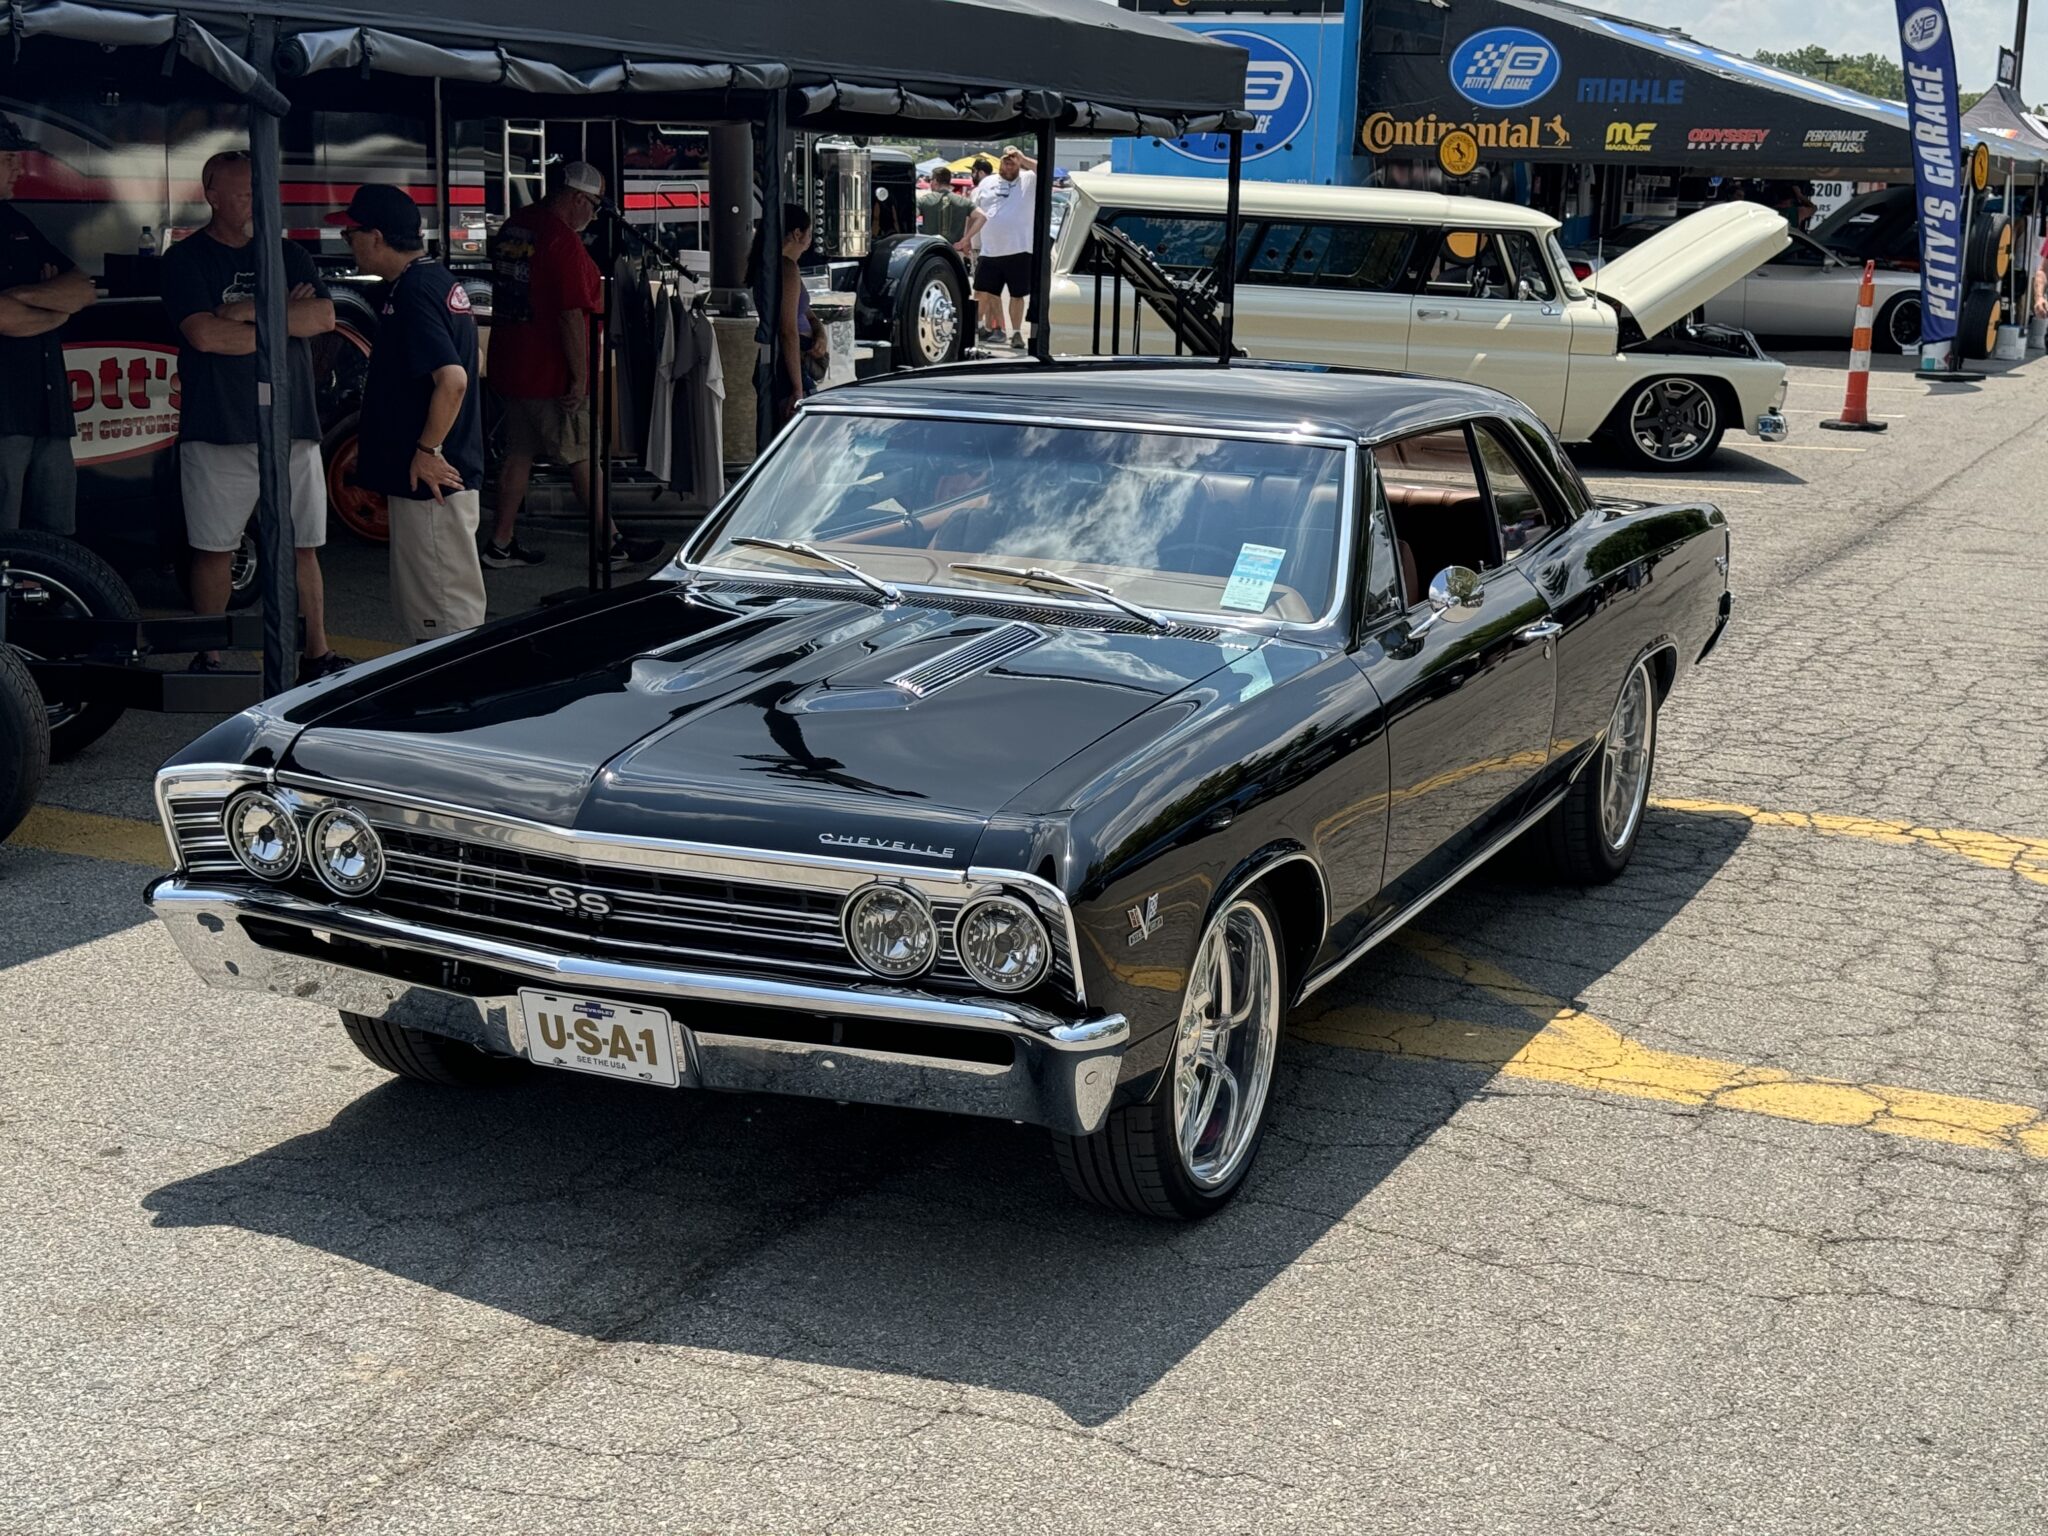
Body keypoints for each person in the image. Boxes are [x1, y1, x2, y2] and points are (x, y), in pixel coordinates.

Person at [160, 148, 348, 680]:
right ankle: (209, 655)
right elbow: (203, 335)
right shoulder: (185, 260)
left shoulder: (289, 254)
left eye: (261, 191)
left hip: (293, 424)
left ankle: (317, 654)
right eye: (244, 192)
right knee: (214, 548)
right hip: (218, 425)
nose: (256, 202)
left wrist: (241, 313)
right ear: (212, 195)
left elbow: (324, 317)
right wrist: (283, 319)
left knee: (303, 546)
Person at [330, 184, 486, 644]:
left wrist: (427, 450)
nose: (348, 244)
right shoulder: (432, 280)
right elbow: (474, 361)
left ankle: (455, 691)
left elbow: (454, 379)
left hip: (432, 485)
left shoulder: (415, 290)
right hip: (432, 483)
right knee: (433, 614)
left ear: (376, 236)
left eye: (351, 234)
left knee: (444, 625)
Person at [485, 162, 661, 569]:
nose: (594, 216)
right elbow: (569, 316)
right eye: (595, 206)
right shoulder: (561, 241)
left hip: (512, 362)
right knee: (583, 456)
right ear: (579, 199)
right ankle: (611, 544)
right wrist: (580, 378)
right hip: (551, 371)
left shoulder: (516, 225)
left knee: (519, 453)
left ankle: (500, 542)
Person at [0, 114, 94, 536]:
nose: (20, 169)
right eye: (8, 158)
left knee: (57, 542)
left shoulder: (15, 222)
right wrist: (53, 307)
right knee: (6, 543)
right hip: (4, 419)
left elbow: (82, 289)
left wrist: (22, 295)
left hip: (49, 414)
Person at [747, 204, 827, 431]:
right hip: (790, 363)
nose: (811, 239)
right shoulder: (786, 268)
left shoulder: (776, 267)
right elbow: (788, 331)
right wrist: (797, 388)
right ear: (798, 233)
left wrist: (820, 332)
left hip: (788, 360)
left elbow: (806, 313)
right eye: (809, 232)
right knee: (802, 433)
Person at [956, 145, 1038, 349]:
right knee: (981, 292)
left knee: (1017, 296)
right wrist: (967, 239)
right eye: (1005, 162)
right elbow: (972, 213)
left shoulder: (1028, 179)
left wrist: (1022, 158)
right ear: (999, 163)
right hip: (989, 250)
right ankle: (977, 329)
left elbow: (1046, 170)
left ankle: (1016, 333)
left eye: (1012, 162)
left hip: (1019, 249)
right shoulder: (987, 182)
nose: (1008, 166)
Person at [918, 170, 971, 246]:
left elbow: (910, 217)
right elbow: (981, 216)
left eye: (931, 180)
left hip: (930, 248)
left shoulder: (925, 200)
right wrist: (966, 239)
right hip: (953, 248)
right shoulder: (962, 201)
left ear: (935, 181)